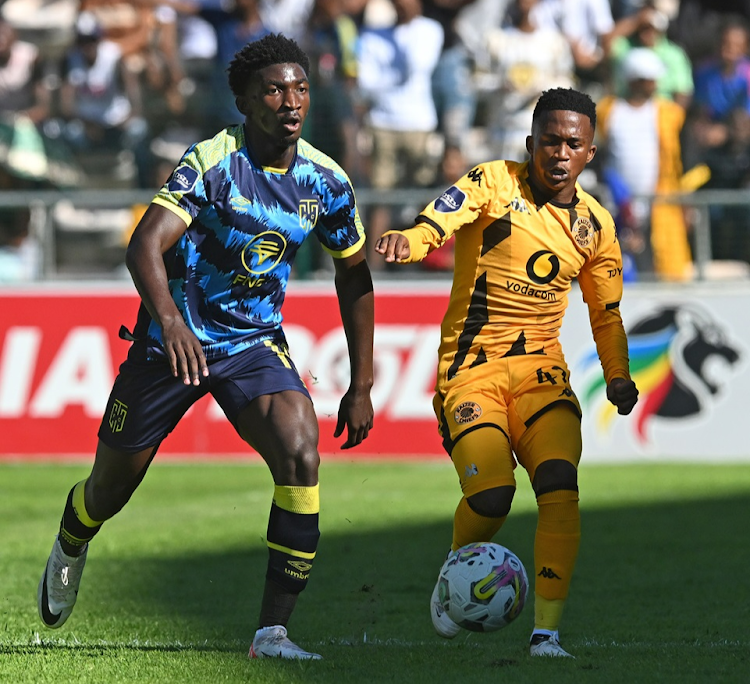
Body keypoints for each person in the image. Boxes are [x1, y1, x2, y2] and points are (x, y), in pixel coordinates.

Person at [37, 32, 375, 661]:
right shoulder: (213, 160)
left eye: (299, 87)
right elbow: (145, 243)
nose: (291, 101)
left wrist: (361, 385)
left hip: (251, 344)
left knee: (301, 453)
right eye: (273, 90)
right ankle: (72, 537)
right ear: (246, 103)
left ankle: (271, 634)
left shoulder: (326, 180)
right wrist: (167, 322)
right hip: (174, 341)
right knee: (109, 490)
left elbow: (353, 274)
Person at [376, 87, 638, 658]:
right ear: (531, 143)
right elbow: (438, 222)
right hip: (472, 374)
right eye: (550, 141)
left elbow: (606, 311)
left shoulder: (596, 225)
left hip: (542, 376)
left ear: (590, 152)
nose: (559, 153)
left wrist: (616, 374)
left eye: (573, 143)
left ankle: (546, 635)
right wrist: (410, 240)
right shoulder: (493, 183)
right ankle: (453, 575)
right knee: (493, 497)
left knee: (559, 487)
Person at [597, 47, 692, 281]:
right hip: (617, 205)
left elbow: (681, 158)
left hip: (660, 202)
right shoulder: (609, 111)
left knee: (664, 264)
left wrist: (685, 199)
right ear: (635, 80)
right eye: (650, 79)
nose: (655, 84)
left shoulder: (667, 112)